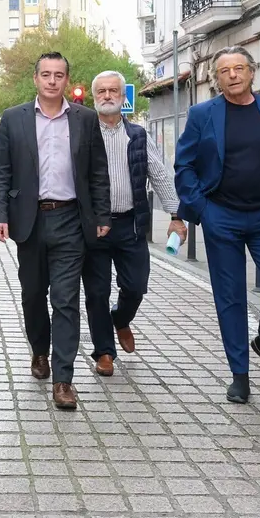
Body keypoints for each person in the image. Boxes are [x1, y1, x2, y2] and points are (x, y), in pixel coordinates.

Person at [174, 46, 260, 404]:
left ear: (251, 72)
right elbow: (184, 164)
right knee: (230, 298)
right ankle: (240, 374)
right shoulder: (203, 114)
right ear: (216, 80)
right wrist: (201, 209)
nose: (232, 75)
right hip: (222, 216)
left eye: (239, 68)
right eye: (224, 71)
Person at [0, 52, 111, 410]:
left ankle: (63, 379)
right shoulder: (15, 119)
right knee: (32, 295)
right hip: (30, 220)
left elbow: (98, 172)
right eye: (46, 74)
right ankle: (39, 351)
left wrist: (102, 214)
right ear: (36, 79)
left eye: (59, 74)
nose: (53, 81)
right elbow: (0, 171)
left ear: (66, 78)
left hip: (71, 220)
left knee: (65, 298)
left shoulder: (86, 120)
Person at [83, 71, 185, 376]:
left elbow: (160, 175)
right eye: (101, 91)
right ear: (94, 97)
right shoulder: (83, 133)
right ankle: (104, 352)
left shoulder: (138, 135)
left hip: (131, 225)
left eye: (113, 90)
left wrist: (175, 215)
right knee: (96, 292)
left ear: (123, 97)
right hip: (93, 227)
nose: (107, 96)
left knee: (136, 285)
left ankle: (121, 318)